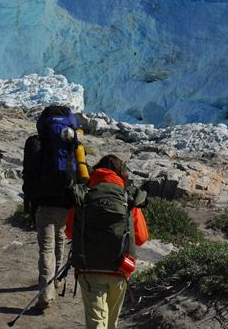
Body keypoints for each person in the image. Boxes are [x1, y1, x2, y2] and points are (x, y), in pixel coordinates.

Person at [65, 154, 149, 329]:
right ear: (121, 174)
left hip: (89, 268)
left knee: (97, 322)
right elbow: (141, 238)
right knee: (112, 322)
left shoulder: (84, 195)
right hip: (120, 268)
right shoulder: (126, 198)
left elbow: (69, 232)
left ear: (96, 171)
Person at [22, 105, 82, 311]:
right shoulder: (72, 144)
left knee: (46, 249)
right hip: (67, 202)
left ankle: (45, 294)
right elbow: (81, 173)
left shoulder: (34, 143)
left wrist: (28, 200)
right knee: (61, 239)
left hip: (44, 202)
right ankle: (56, 280)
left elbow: (28, 174)